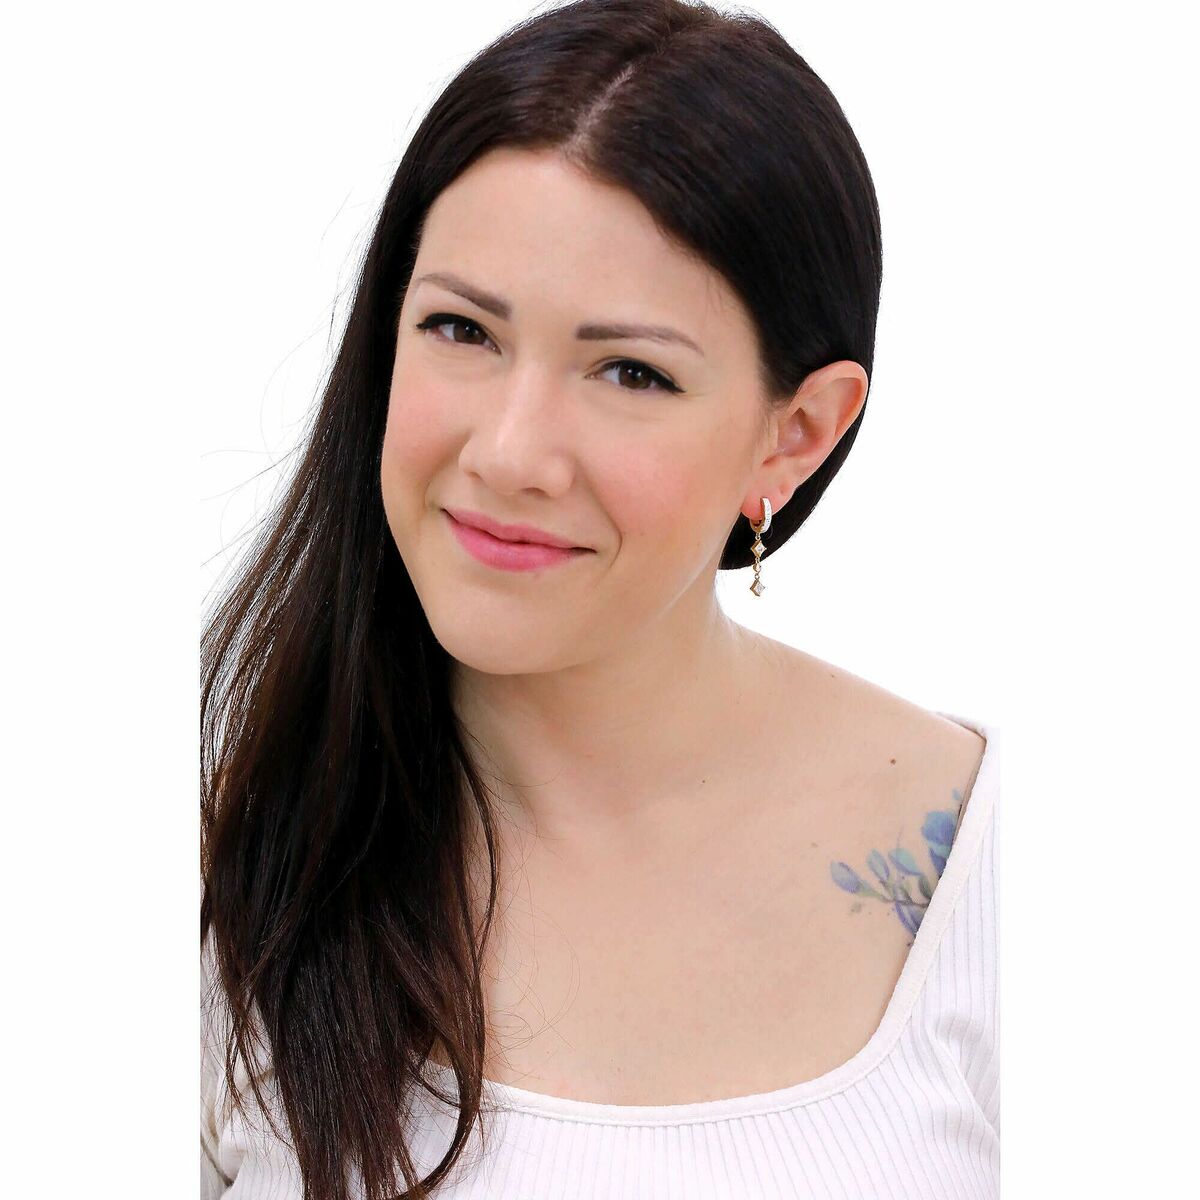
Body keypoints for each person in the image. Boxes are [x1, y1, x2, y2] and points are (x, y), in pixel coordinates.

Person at [201, 1, 1000, 1196]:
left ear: (796, 432)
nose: (511, 453)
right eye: (461, 328)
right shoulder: (220, 883)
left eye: (630, 371)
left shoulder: (1003, 874)